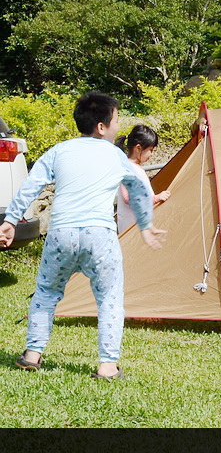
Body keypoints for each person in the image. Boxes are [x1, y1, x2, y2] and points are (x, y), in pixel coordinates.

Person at [0, 92, 167, 379]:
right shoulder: (116, 155)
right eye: (116, 119)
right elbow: (138, 191)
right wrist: (145, 224)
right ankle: (107, 365)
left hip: (61, 234)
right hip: (99, 236)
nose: (118, 125)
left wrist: (11, 220)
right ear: (101, 126)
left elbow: (31, 186)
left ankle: (32, 354)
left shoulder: (59, 151)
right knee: (110, 298)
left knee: (47, 292)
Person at [115, 125, 170, 234]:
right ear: (138, 148)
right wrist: (155, 198)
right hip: (131, 230)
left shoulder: (134, 168)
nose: (151, 154)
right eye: (150, 150)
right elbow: (129, 198)